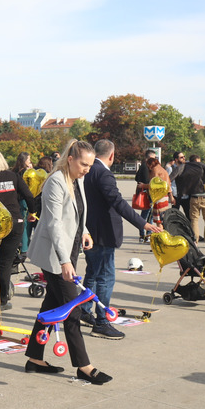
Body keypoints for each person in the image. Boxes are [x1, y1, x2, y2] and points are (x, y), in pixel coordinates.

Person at [23, 139, 112, 384]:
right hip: (54, 254)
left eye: (90, 165)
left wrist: (84, 232)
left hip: (69, 251)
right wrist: (64, 261)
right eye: (83, 164)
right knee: (71, 309)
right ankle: (84, 366)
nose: (87, 169)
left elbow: (79, 212)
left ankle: (34, 358)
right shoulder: (55, 182)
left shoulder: (78, 179)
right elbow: (53, 223)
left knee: (51, 306)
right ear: (70, 159)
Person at [79, 140, 162, 339]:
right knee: (106, 278)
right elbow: (117, 203)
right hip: (103, 233)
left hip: (89, 231)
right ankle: (101, 321)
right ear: (112, 155)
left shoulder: (85, 171)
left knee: (92, 273)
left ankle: (84, 310)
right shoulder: (103, 173)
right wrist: (142, 223)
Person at [0, 149, 36, 311]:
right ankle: (2, 300)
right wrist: (32, 212)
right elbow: (30, 196)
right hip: (14, 224)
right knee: (5, 263)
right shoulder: (15, 177)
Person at [172, 155, 205, 247]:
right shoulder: (202, 166)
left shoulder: (184, 167)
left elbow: (172, 177)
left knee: (194, 220)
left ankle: (194, 241)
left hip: (194, 197)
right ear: (198, 160)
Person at [12, 152, 34, 265]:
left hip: (16, 200)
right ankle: (24, 248)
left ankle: (21, 246)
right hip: (24, 200)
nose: (30, 161)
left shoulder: (14, 171)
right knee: (24, 225)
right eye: (29, 159)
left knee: (19, 224)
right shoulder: (26, 172)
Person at [136, 149, 157, 242]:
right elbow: (146, 180)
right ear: (148, 158)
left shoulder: (145, 166)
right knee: (147, 215)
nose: (154, 160)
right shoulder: (145, 167)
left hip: (146, 192)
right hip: (147, 193)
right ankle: (144, 235)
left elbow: (136, 177)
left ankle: (146, 234)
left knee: (148, 214)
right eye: (153, 158)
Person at [146, 156, 174, 223]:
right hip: (165, 196)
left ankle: (160, 232)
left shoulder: (155, 170)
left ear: (150, 164)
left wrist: (143, 186)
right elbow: (168, 184)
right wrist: (171, 196)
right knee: (163, 218)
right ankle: (163, 231)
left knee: (158, 219)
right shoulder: (163, 169)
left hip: (158, 197)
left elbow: (153, 185)